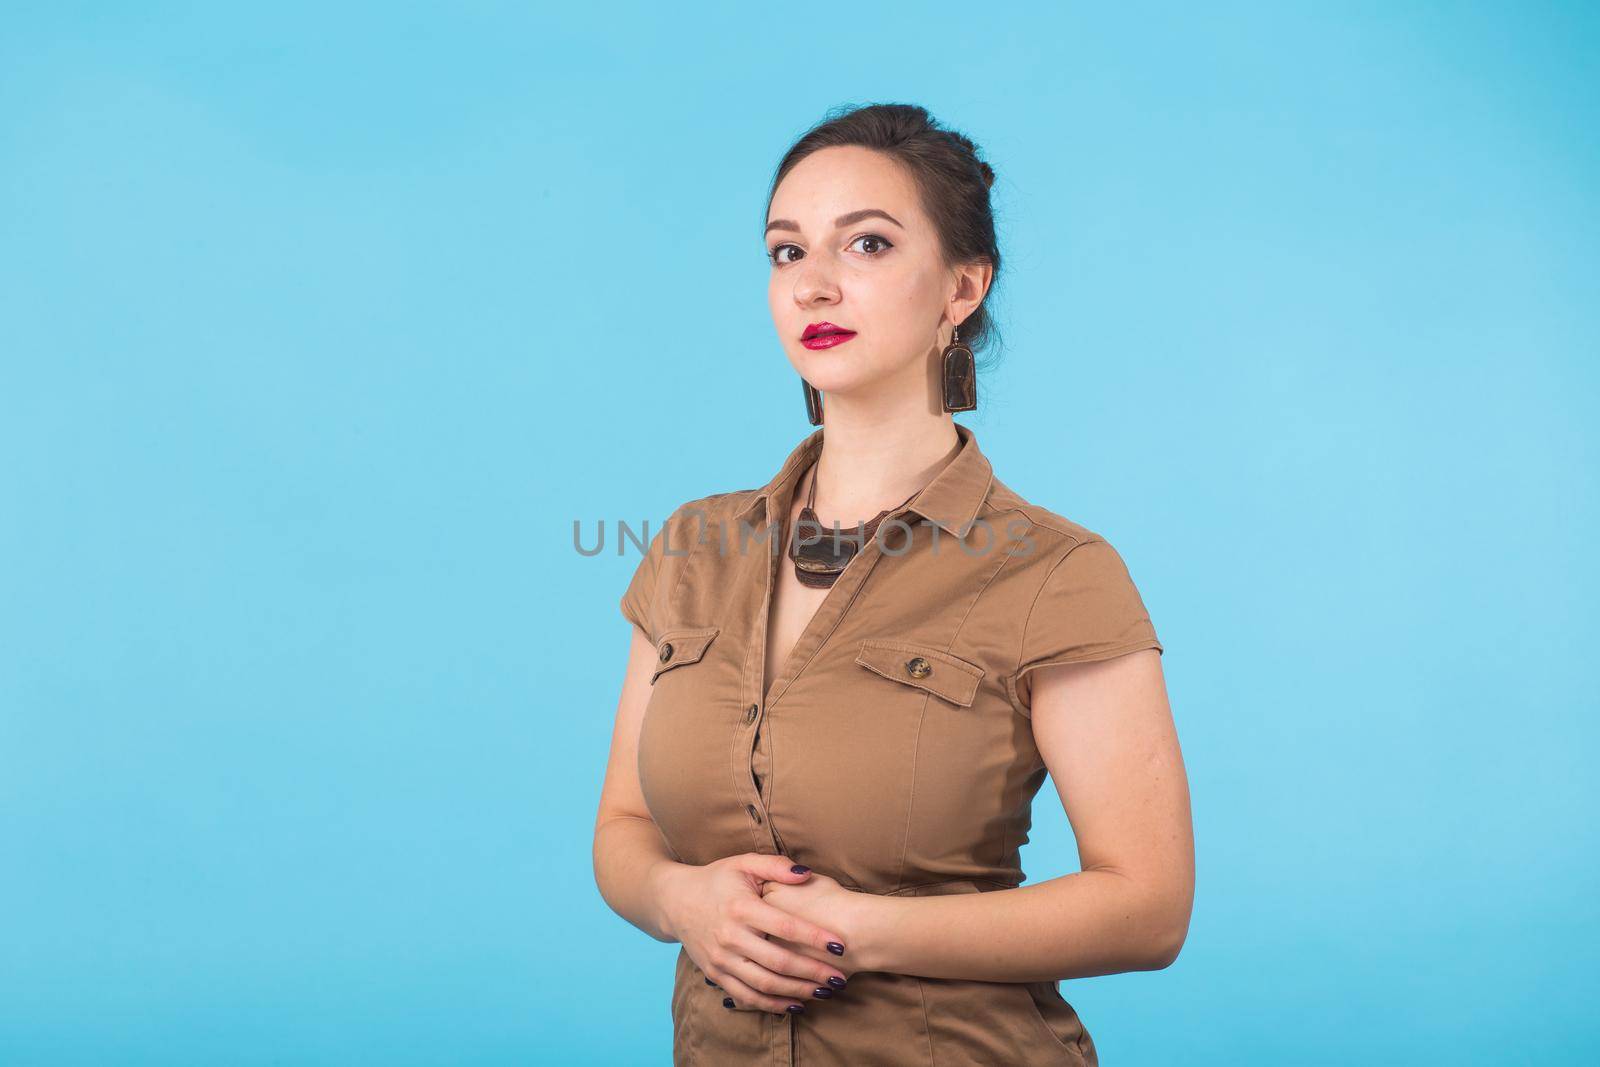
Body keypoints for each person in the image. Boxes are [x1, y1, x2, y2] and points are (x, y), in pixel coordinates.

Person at [593, 102, 1194, 1066]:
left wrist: (859, 931)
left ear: (963, 286)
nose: (815, 284)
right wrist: (679, 901)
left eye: (866, 244)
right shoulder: (690, 547)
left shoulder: (1056, 572)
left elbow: (1148, 906)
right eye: (786, 252)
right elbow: (622, 826)